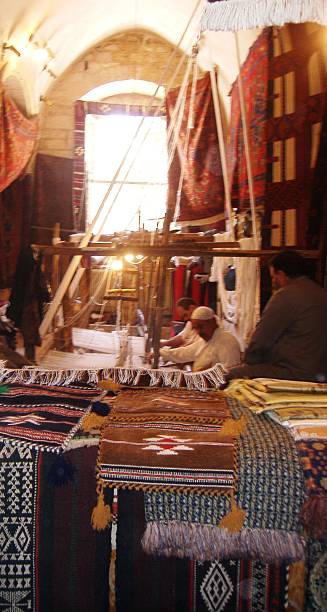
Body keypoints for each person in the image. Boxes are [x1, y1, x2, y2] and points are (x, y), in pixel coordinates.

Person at [227, 250, 327, 382]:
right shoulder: (321, 293)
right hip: (319, 372)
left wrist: (250, 361)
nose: (273, 282)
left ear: (281, 274)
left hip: (296, 372)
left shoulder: (286, 295)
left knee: (231, 374)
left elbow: (260, 342)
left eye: (273, 277)